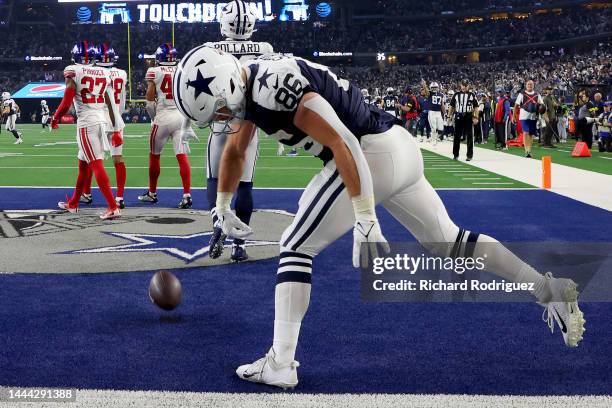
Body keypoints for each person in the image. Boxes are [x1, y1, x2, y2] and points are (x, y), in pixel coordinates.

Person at [174, 49, 585, 389]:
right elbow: (234, 151)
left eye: (222, 109)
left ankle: (281, 362)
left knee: (295, 246)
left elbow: (343, 141)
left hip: (369, 152)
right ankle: (547, 288)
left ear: (230, 83)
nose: (222, 118)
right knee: (448, 241)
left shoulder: (273, 87)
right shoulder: (251, 86)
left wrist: (365, 217)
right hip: (396, 148)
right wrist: (222, 205)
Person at [203, 0, 274, 262]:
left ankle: (218, 223)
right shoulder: (265, 49)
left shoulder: (212, 48)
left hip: (221, 118)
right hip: (249, 122)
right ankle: (239, 246)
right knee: (245, 184)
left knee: (214, 178)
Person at [52, 41, 123, 220]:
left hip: (86, 123)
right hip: (101, 121)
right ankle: (74, 203)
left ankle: (113, 207)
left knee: (96, 164)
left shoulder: (73, 70)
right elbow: (110, 103)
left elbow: (67, 101)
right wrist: (115, 128)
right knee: (83, 165)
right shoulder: (104, 72)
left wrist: (55, 117)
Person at [139, 43, 193, 209]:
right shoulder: (181, 70)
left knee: (154, 155)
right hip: (180, 117)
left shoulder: (155, 71)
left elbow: (149, 101)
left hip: (163, 116)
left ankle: (153, 193)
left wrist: (155, 118)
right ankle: (186, 195)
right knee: (182, 156)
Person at [80, 43, 128, 209]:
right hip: (116, 120)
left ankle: (86, 193)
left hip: (98, 118)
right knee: (118, 159)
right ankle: (120, 197)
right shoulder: (122, 73)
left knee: (90, 159)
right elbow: (120, 100)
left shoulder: (92, 72)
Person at [448, 79, 478, 161]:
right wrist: (449, 116)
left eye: (466, 85)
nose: (464, 87)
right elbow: (452, 106)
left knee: (469, 136)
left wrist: (476, 117)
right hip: (458, 115)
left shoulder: (472, 95)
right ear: (460, 85)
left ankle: (469, 155)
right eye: (463, 85)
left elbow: (476, 107)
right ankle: (455, 154)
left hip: (468, 116)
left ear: (468, 86)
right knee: (457, 136)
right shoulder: (456, 94)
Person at [513, 80, 544, 158]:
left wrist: (543, 114)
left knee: (531, 134)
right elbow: (516, 106)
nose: (530, 85)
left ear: (533, 85)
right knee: (526, 132)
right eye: (528, 84)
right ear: (526, 85)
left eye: (531, 84)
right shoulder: (521, 94)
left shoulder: (537, 95)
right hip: (524, 116)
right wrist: (513, 116)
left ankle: (529, 150)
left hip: (533, 117)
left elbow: (542, 106)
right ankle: (526, 150)